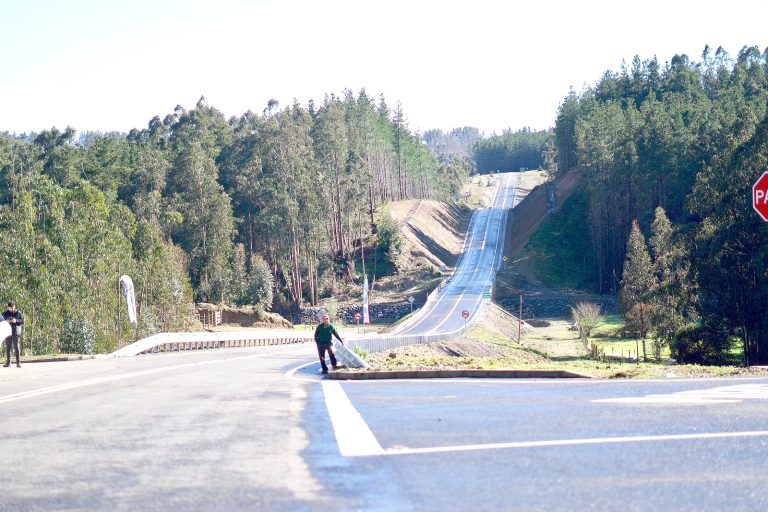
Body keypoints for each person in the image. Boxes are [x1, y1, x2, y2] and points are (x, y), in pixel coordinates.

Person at [3, 302, 23, 368]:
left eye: (13, 308)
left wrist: (16, 320)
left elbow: (22, 321)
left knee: (17, 348)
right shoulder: (5, 313)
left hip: (16, 332)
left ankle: (18, 363)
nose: (11, 309)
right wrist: (7, 321)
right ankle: (8, 363)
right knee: (8, 348)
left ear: (15, 307)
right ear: (8, 307)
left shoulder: (18, 312)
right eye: (10, 308)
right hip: (8, 332)